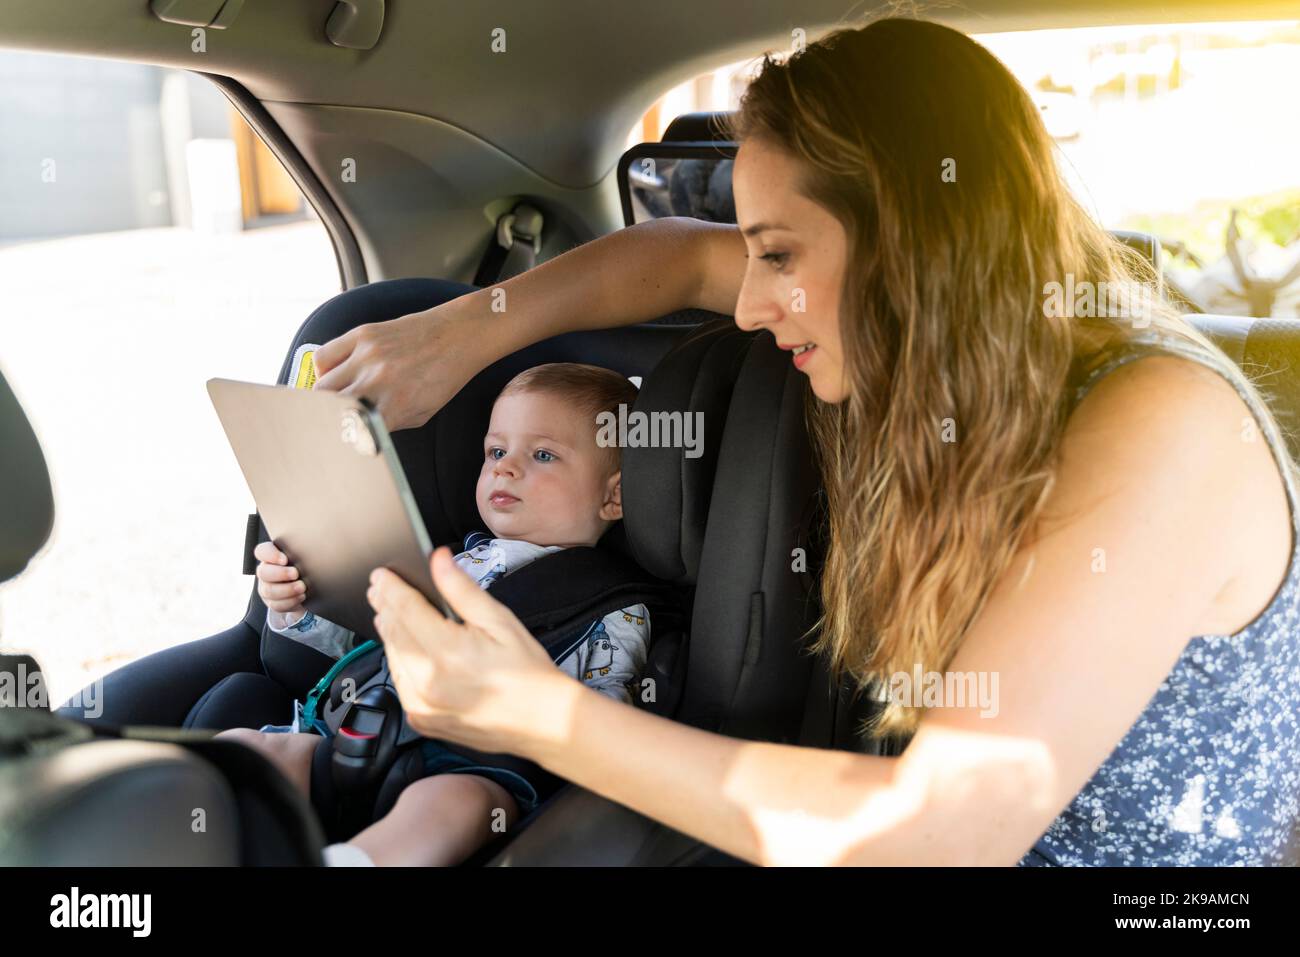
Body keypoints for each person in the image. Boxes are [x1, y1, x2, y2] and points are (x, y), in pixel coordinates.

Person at [315, 17, 1300, 865]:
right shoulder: (944, 389)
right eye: (752, 253)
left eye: (777, 254)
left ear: (919, 241)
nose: (745, 304)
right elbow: (668, 260)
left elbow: (937, 839)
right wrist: (461, 331)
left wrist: (539, 716)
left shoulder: (1163, 422)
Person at [218, 362, 651, 866]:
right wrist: (297, 603)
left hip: (475, 761)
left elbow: (606, 725)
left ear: (613, 495)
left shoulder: (616, 608)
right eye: (496, 451)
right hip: (364, 730)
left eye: (543, 454)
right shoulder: (448, 561)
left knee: (454, 805)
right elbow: (365, 639)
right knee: (249, 751)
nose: (506, 468)